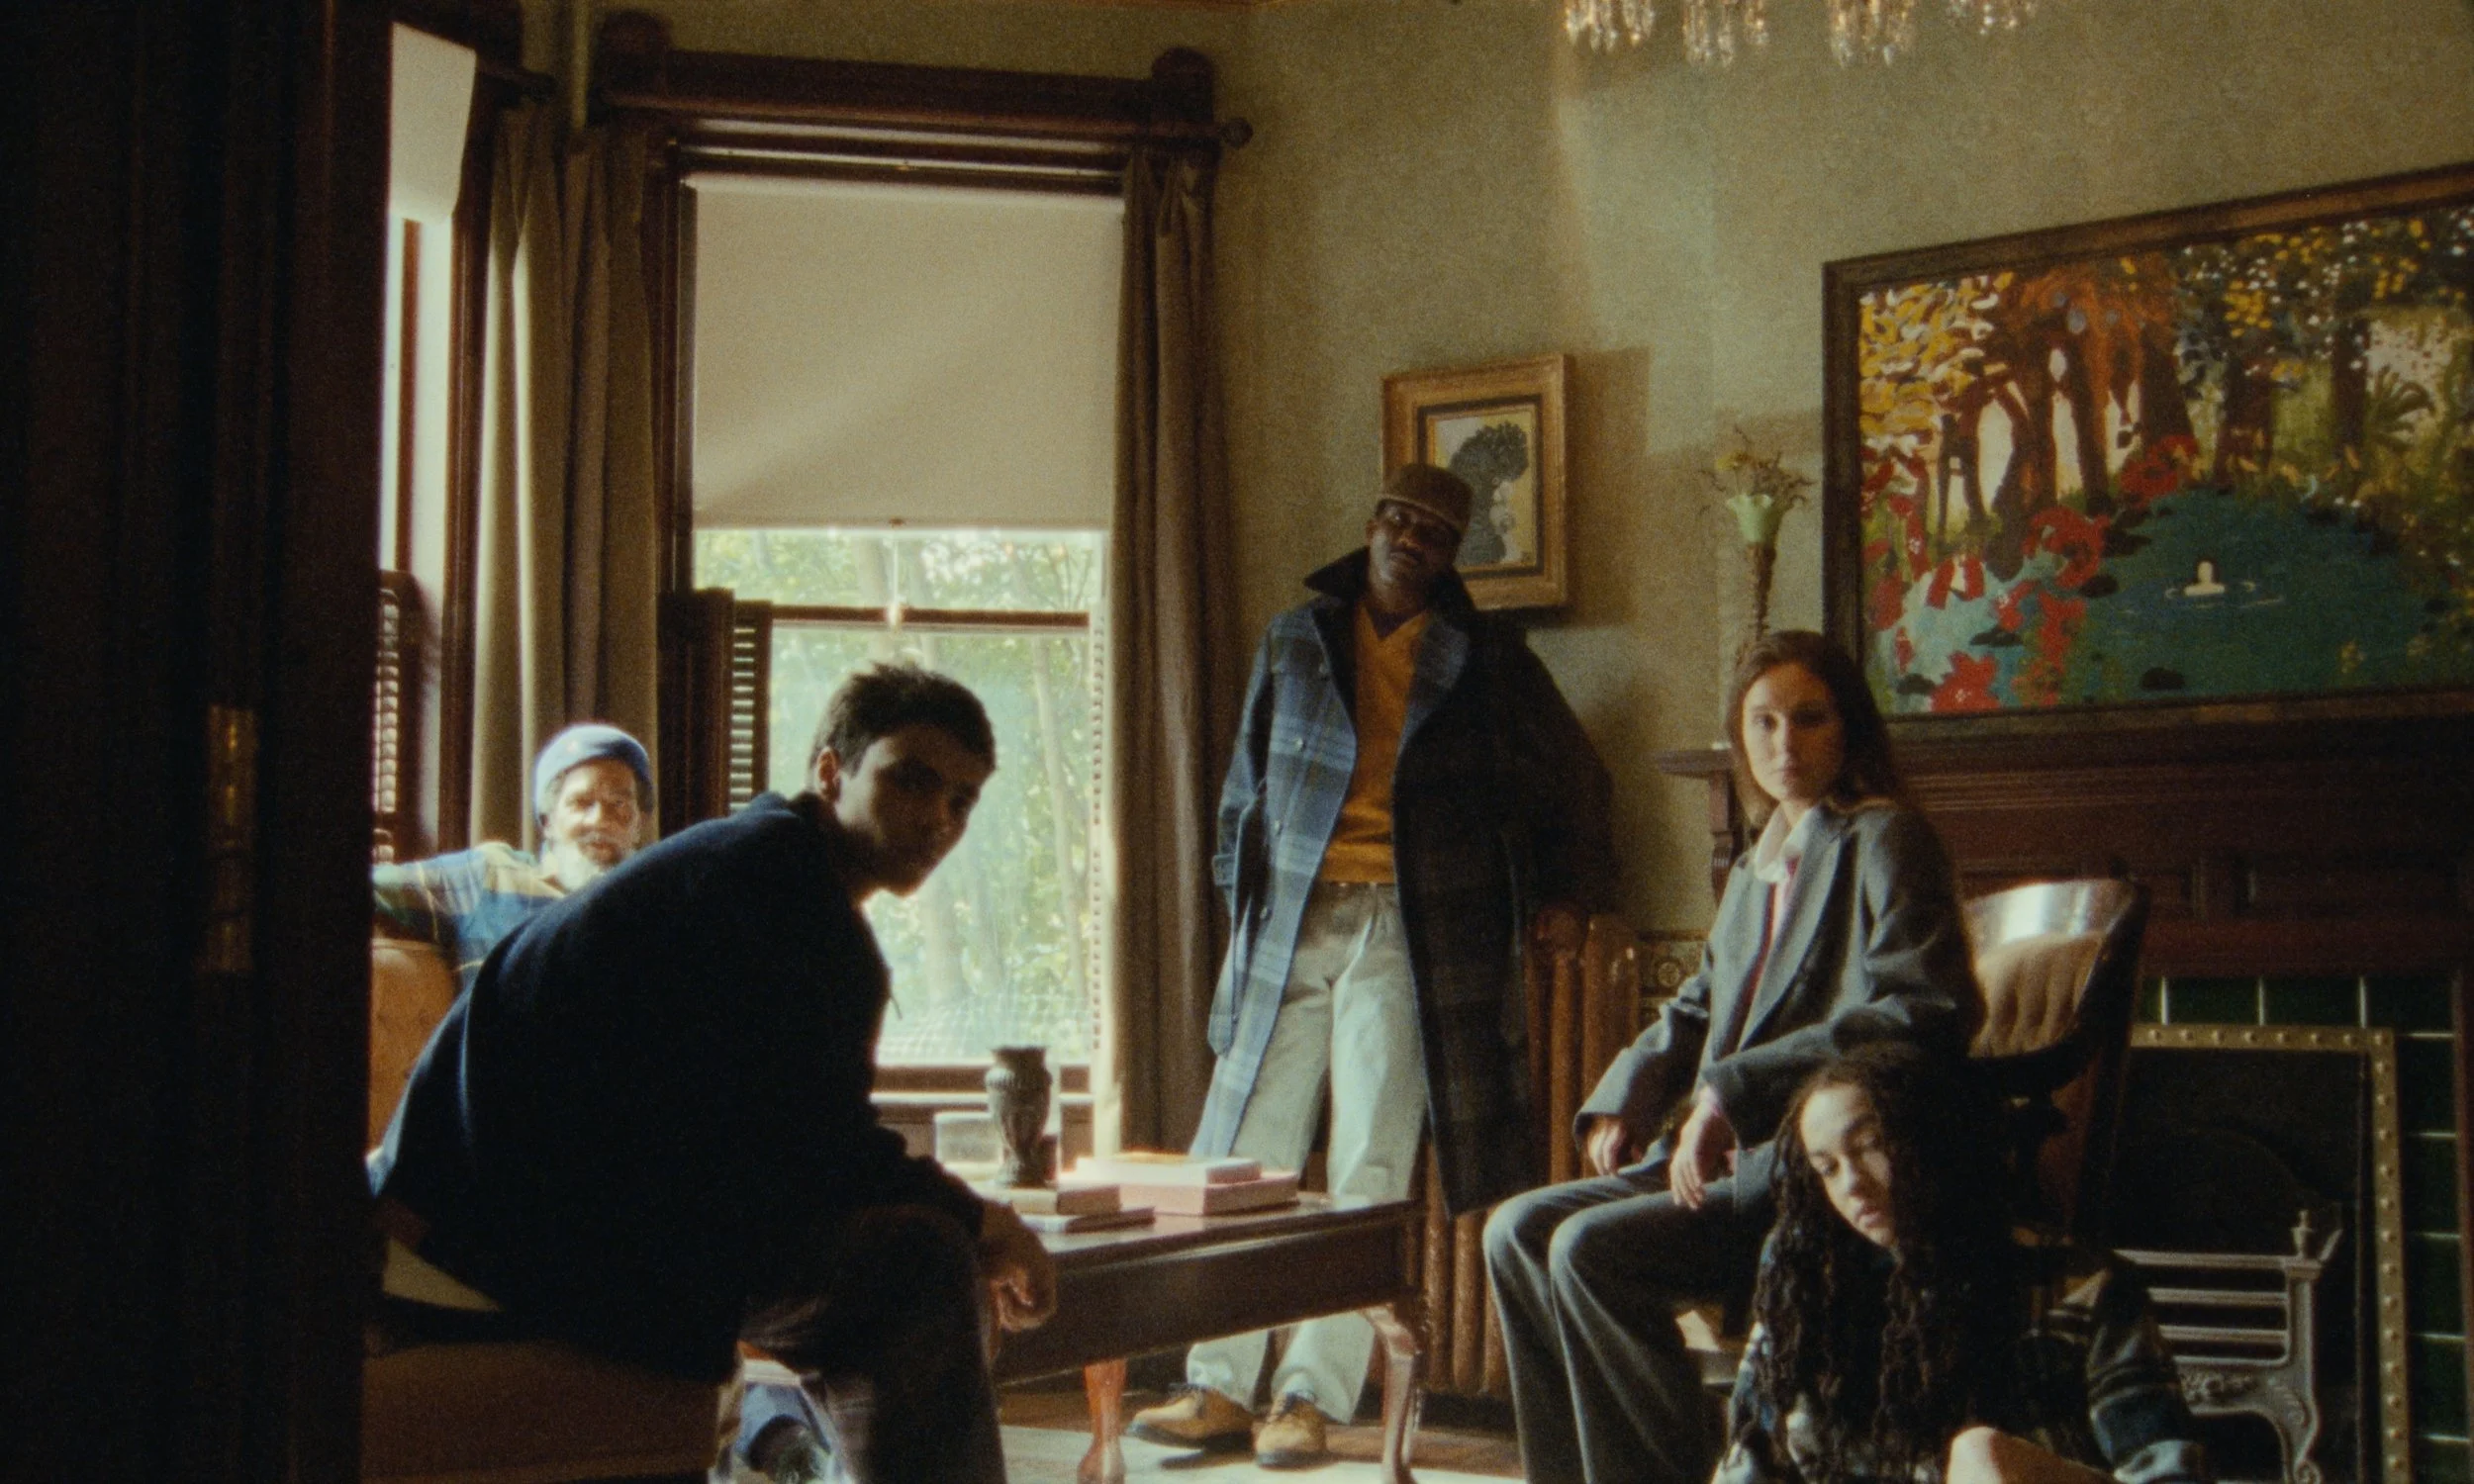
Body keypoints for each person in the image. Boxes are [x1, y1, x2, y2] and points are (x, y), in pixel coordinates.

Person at [368, 664, 1056, 1484]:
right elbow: (821, 1154)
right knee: (918, 1264)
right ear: (831, 771)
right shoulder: (775, 892)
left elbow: (779, 1140)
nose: (939, 818)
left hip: (519, 1213)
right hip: (493, 1236)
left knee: (905, 1252)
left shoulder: (763, 867)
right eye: (910, 779)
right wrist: (985, 1223)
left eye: (962, 801)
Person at [1129, 463, 1620, 1467]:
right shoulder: (1296, 638)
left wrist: (1568, 894)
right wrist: (1242, 910)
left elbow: (1576, 779)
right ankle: (1215, 1385)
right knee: (1246, 1156)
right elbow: (1241, 792)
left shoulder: (1488, 658)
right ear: (1370, 525)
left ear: (1451, 555)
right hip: (1291, 919)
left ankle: (1308, 1398)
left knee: (1369, 1163)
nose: (1409, 539)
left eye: (1433, 532)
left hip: (1410, 931)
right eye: (1397, 519)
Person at [1483, 628, 1983, 1484]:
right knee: (1515, 1231)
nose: (1784, 745)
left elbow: (1924, 1006)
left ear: (1851, 729)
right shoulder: (1759, 864)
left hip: (1801, 1167)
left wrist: (1728, 1091)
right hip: (1712, 1158)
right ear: (1740, 737)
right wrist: (1628, 1091)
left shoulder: (1885, 839)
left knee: (1588, 1251)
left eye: (1809, 719)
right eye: (1763, 723)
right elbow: (1700, 1001)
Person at [1721, 1043, 2211, 1484]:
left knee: (1980, 1455)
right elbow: (1749, 1467)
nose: (1850, 1183)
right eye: (1827, 1167)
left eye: (1870, 1145)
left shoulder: (2080, 1285)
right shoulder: (1806, 1288)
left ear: (1932, 1138)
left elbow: (2168, 1470)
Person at [371, 722, 652, 992]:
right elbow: (376, 887)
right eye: (581, 803)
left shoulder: (653, 908)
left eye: (619, 804)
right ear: (548, 822)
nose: (601, 821)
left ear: (638, 825)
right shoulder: (488, 876)